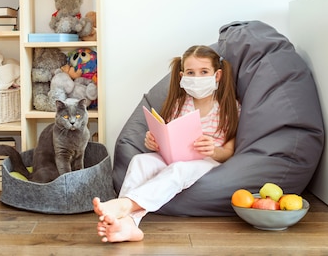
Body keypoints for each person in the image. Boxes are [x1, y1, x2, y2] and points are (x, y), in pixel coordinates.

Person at [93, 45, 240, 243]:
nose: (196, 78)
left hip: (207, 162)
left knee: (179, 169)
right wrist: (154, 142)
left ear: (217, 75)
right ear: (182, 76)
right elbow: (170, 137)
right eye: (190, 73)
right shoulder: (180, 105)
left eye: (204, 72)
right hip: (175, 157)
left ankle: (125, 205)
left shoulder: (228, 109)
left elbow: (229, 152)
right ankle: (129, 225)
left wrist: (214, 150)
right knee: (139, 160)